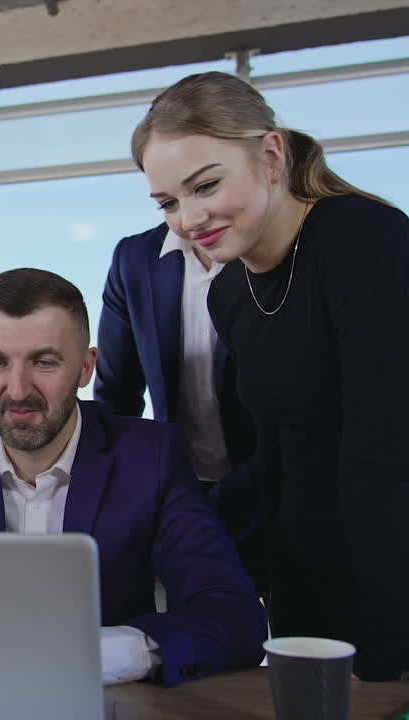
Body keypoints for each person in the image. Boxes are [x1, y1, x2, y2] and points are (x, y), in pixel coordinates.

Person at [132, 71, 409, 680]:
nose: (188, 218)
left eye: (205, 185)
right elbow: (278, 462)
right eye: (168, 202)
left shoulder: (361, 238)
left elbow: (383, 463)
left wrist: (377, 662)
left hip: (406, 577)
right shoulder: (231, 295)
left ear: (271, 155)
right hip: (304, 584)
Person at [0, 268, 267, 686]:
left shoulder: (148, 458)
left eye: (44, 362)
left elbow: (234, 614)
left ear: (85, 367)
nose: (18, 389)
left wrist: (103, 654)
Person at [94, 218, 263, 549]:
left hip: (279, 486)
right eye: (167, 202)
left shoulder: (269, 248)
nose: (189, 215)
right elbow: (116, 397)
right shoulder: (136, 258)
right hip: (180, 490)